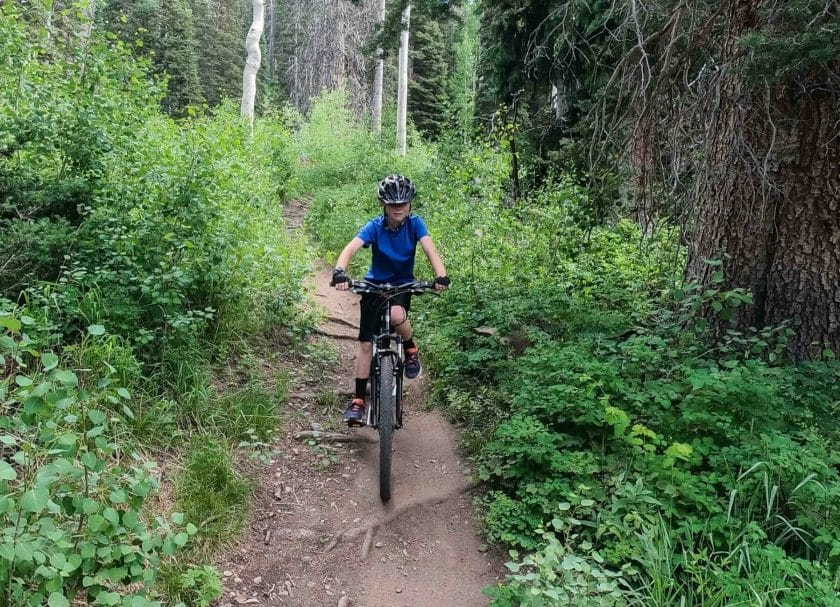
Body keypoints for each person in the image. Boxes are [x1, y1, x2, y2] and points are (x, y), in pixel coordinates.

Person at [330, 174, 449, 424]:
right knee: (365, 345)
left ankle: (410, 347)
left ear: (410, 204)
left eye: (403, 204)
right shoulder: (374, 226)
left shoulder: (416, 224)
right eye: (393, 204)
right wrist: (340, 271)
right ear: (384, 204)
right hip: (374, 286)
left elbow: (430, 249)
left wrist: (441, 276)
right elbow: (351, 248)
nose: (399, 208)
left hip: (402, 284)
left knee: (397, 316)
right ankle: (359, 401)